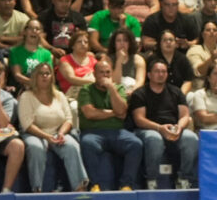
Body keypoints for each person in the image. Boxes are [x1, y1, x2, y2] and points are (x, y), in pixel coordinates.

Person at [17, 62, 89, 192]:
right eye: (41, 74)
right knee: (36, 147)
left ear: (52, 77)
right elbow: (27, 124)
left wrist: (61, 133)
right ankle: (37, 189)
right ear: (35, 77)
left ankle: (79, 187)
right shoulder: (26, 96)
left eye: (47, 73)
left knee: (72, 145)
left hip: (57, 132)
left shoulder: (60, 95)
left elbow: (68, 119)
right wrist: (47, 137)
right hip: (34, 134)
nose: (45, 76)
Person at [128, 57, 198, 190]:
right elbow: (139, 119)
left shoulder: (176, 91)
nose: (161, 74)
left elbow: (184, 115)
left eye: (164, 72)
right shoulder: (140, 93)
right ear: (149, 74)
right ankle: (151, 180)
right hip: (148, 129)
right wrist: (160, 128)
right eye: (157, 71)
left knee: (191, 138)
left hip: (172, 128)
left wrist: (179, 127)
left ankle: (183, 178)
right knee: (154, 139)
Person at [78, 58, 143, 191]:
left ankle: (126, 184)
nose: (105, 76)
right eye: (101, 72)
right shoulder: (86, 90)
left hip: (117, 132)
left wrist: (111, 88)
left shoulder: (118, 88)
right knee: (87, 143)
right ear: (95, 74)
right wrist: (114, 113)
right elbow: (90, 113)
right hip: (92, 132)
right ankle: (95, 184)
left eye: (108, 72)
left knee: (135, 144)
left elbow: (122, 111)